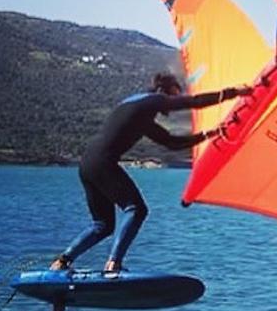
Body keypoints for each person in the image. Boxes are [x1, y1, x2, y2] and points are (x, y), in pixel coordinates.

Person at [49, 71, 252, 273]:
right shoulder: (154, 99)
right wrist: (235, 92)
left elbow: (171, 142)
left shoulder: (137, 109)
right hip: (103, 163)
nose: (173, 103)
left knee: (102, 225)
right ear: (165, 90)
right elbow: (194, 102)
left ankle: (62, 261)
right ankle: (114, 264)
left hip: (87, 164)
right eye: (174, 94)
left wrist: (209, 134)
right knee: (136, 209)